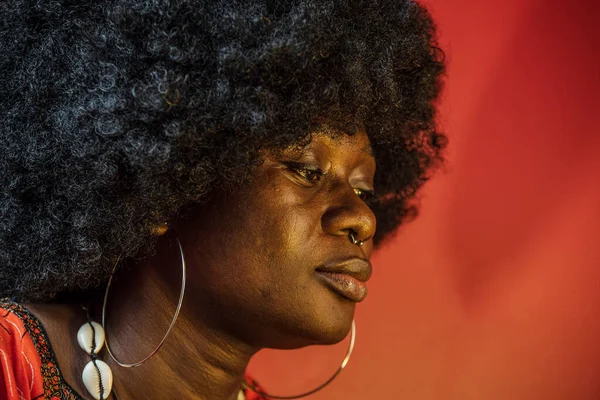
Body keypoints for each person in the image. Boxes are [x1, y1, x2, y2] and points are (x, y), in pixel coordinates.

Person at [0, 0, 446, 399]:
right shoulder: (10, 365)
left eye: (364, 190)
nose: (363, 219)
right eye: (307, 171)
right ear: (166, 183)